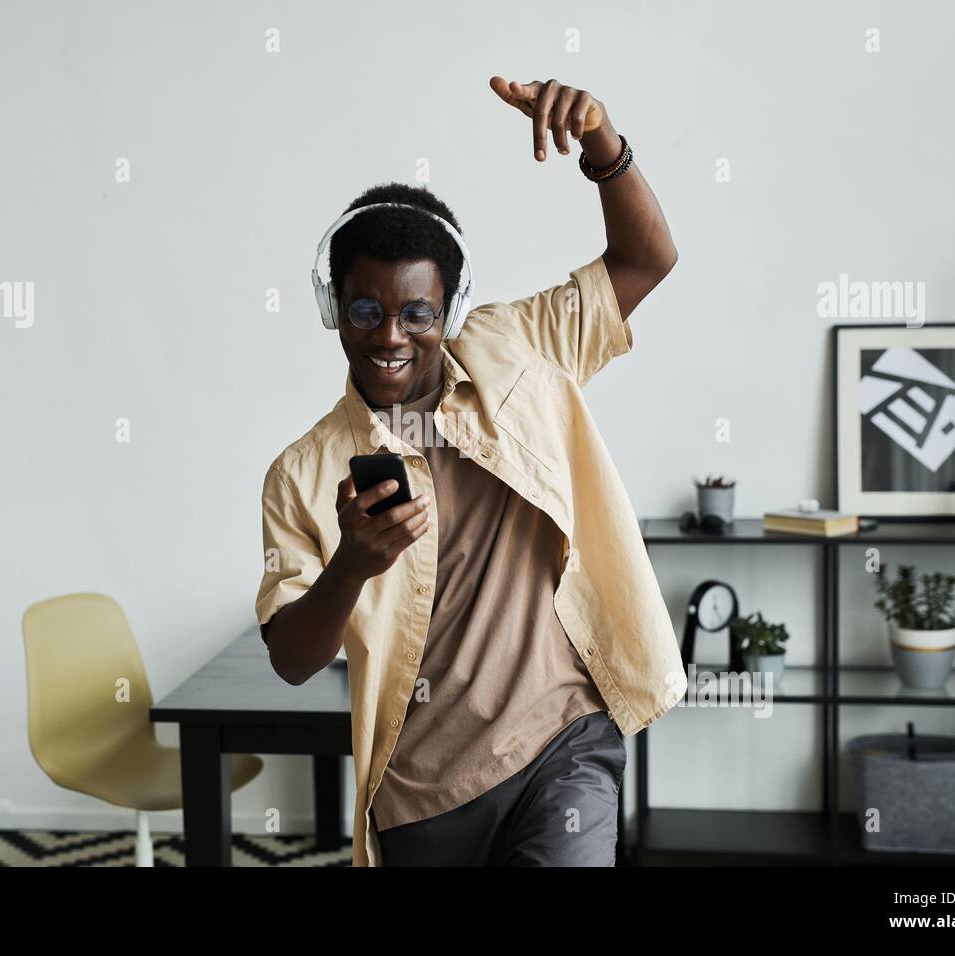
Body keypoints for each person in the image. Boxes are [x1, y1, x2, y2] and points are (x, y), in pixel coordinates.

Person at [255, 76, 688, 866]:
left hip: (562, 741)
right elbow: (291, 657)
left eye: (417, 312)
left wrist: (601, 141)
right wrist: (352, 565)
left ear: (449, 312)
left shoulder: (518, 346)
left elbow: (647, 257)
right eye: (364, 310)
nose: (391, 334)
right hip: (422, 794)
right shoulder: (302, 473)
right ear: (333, 308)